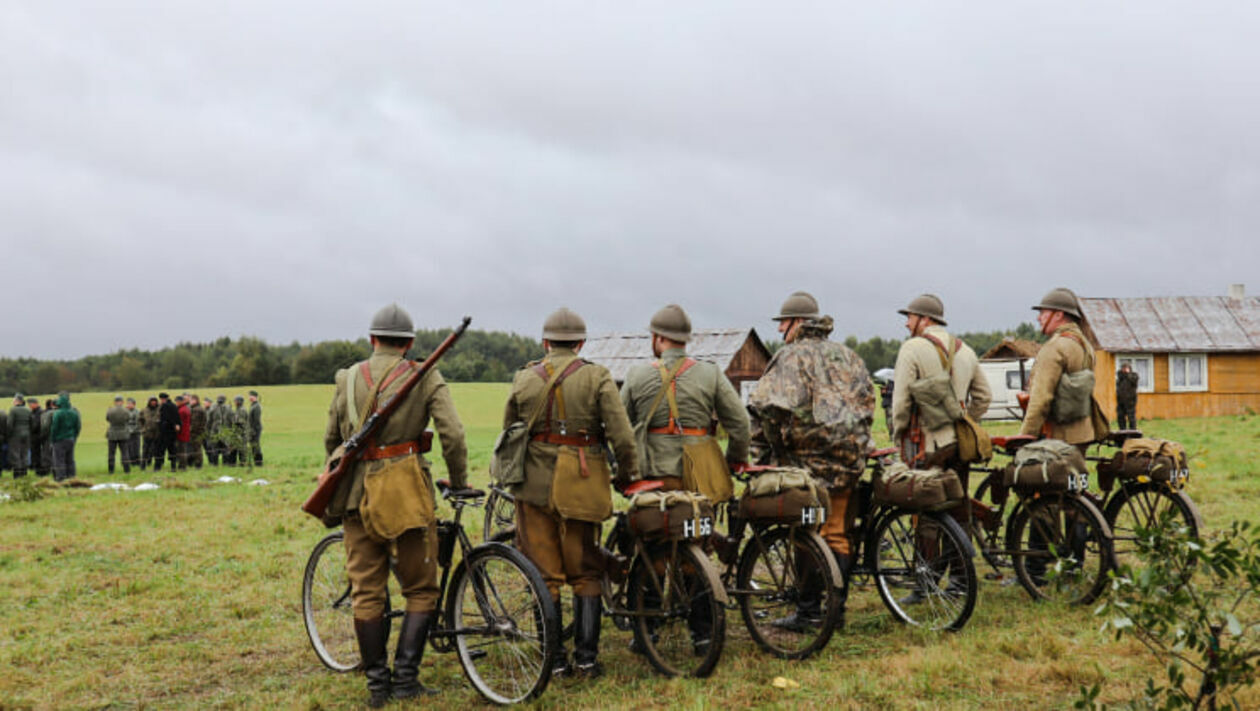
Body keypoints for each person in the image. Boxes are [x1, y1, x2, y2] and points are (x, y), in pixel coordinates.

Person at [323, 303, 469, 706]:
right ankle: (405, 679)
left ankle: (377, 686)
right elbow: (452, 434)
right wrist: (459, 482)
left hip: (355, 494)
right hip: (406, 495)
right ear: (409, 343)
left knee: (366, 592)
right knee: (422, 589)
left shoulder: (347, 377)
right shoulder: (425, 375)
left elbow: (332, 439)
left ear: (372, 339)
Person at [505, 307, 638, 679]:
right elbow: (622, 436)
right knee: (586, 573)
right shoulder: (597, 376)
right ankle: (587, 659)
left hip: (533, 486)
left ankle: (556, 660)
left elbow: (509, 435)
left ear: (545, 342)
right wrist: (628, 475)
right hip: (582, 482)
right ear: (581, 343)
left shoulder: (523, 379)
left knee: (544, 575)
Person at [748, 291, 875, 631]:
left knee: (805, 535)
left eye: (783, 324)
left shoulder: (790, 357)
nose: (780, 332)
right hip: (849, 461)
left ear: (798, 323)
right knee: (837, 536)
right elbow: (869, 402)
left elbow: (765, 410)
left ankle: (808, 613)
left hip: (806, 466)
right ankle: (837, 611)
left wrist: (767, 453)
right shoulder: (849, 356)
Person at [889, 294, 991, 603]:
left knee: (925, 513)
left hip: (925, 445)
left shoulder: (912, 348)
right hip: (960, 445)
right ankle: (960, 581)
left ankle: (925, 583)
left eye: (910, 317)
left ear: (924, 320)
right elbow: (983, 397)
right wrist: (963, 421)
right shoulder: (967, 350)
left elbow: (901, 403)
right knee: (959, 509)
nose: (907, 323)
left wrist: (898, 437)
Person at [620, 304, 750, 493]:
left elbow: (619, 429)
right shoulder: (711, 373)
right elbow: (741, 424)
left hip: (653, 478)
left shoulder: (636, 374)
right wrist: (733, 460)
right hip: (701, 476)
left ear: (659, 337)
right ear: (685, 340)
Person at [1020, 287, 1103, 449]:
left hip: (1058, 438)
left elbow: (1041, 399)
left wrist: (1024, 436)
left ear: (1058, 315)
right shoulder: (1085, 345)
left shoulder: (1055, 347)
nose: (1039, 318)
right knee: (1076, 475)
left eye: (1043, 313)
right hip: (1082, 435)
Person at [49, 392, 81, 481]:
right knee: (70, 459)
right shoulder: (74, 412)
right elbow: (78, 426)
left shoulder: (58, 413)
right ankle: (72, 477)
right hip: (71, 439)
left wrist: (52, 439)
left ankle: (61, 478)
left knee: (59, 460)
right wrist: (74, 436)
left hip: (59, 439)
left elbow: (54, 428)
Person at [105, 395, 132, 474]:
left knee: (111, 453)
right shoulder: (126, 411)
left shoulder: (110, 410)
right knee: (125, 453)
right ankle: (127, 470)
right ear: (122, 402)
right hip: (123, 433)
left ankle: (111, 470)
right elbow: (128, 419)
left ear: (115, 402)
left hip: (112, 434)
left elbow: (107, 419)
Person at [156, 392, 181, 471]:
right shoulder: (174, 405)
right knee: (172, 449)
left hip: (165, 431)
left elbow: (166, 418)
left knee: (160, 450)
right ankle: (173, 467)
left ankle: (157, 467)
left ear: (163, 399)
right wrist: (176, 424)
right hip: (172, 432)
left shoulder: (165, 406)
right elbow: (177, 418)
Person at [8, 395, 31, 478]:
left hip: (16, 435)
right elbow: (32, 422)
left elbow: (10, 424)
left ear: (18, 401)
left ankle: (17, 474)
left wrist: (9, 434)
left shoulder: (13, 410)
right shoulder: (28, 410)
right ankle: (24, 473)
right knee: (24, 453)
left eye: (14, 400)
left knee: (15, 453)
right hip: (27, 434)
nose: (13, 402)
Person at [1115, 363, 1140, 430]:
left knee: (1131, 418)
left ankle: (1133, 432)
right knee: (1120, 417)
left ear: (1129, 368)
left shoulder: (1134, 376)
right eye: (1123, 368)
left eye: (1126, 368)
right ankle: (1122, 431)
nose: (1124, 369)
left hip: (1130, 401)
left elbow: (1134, 381)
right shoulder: (1120, 378)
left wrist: (1128, 374)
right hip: (1120, 401)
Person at [140, 397, 161, 470]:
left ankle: (156, 467)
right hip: (147, 433)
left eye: (155, 401)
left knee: (156, 451)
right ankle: (142, 466)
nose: (153, 403)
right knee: (145, 450)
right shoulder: (144, 410)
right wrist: (142, 428)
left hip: (157, 434)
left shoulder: (160, 410)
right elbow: (140, 420)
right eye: (152, 401)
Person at [187, 395, 206, 469]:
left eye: (191, 400)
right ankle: (195, 463)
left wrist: (190, 430)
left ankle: (198, 464)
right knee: (195, 448)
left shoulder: (197, 410)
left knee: (196, 448)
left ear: (196, 401)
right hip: (199, 432)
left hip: (196, 433)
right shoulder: (198, 408)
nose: (190, 402)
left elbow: (195, 423)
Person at [26, 398, 43, 476]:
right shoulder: (34, 412)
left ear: (35, 404)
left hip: (37, 436)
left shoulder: (39, 412)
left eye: (30, 405)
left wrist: (29, 427)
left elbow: (35, 425)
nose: (29, 406)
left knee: (37, 454)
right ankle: (35, 468)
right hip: (34, 436)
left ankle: (38, 470)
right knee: (34, 454)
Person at [124, 398, 141, 470]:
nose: (128, 405)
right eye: (127, 403)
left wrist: (131, 430)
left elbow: (138, 423)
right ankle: (130, 462)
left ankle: (137, 462)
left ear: (134, 404)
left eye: (129, 404)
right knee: (128, 448)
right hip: (127, 433)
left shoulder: (137, 412)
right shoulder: (125, 411)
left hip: (135, 433)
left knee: (136, 448)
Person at [40, 399, 56, 476]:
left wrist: (42, 437)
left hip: (49, 437)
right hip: (62, 438)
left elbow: (45, 427)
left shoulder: (47, 414)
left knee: (47, 455)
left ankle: (47, 472)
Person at [247, 390, 263, 466]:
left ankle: (259, 463)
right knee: (253, 446)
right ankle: (256, 462)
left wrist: (254, 431)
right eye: (249, 396)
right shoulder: (253, 405)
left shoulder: (256, 406)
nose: (249, 397)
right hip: (252, 429)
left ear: (255, 397)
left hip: (255, 429)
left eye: (251, 396)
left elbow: (256, 420)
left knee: (256, 446)